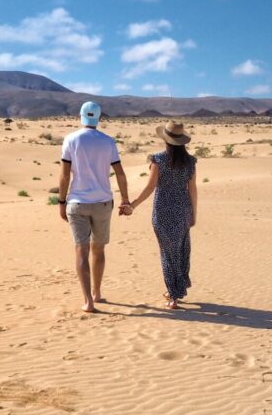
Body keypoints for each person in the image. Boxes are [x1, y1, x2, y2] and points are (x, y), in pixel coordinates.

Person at [58, 101, 131, 313]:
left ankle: (88, 300)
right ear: (99, 118)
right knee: (98, 250)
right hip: (102, 203)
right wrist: (125, 199)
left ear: (81, 116)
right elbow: (119, 173)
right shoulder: (108, 142)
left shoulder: (70, 139)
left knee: (81, 251)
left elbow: (64, 175)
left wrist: (61, 202)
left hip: (77, 202)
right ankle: (97, 292)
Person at [130, 121, 198, 309]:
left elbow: (150, 187)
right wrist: (194, 213)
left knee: (168, 254)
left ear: (166, 140)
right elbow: (193, 190)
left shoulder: (158, 160)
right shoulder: (190, 162)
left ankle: (174, 296)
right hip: (183, 210)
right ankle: (176, 288)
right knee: (181, 250)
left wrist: (133, 205)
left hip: (162, 212)